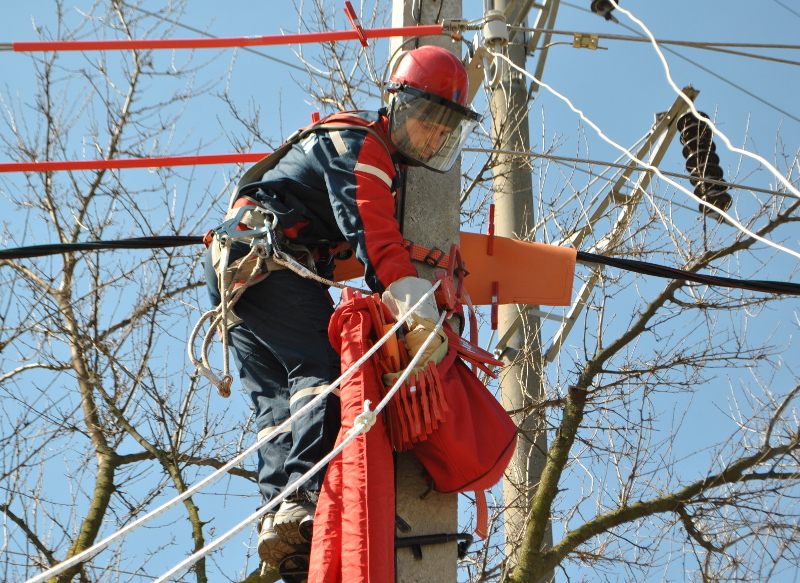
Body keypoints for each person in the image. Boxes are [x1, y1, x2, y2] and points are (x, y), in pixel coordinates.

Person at [203, 44, 480, 571]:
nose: (435, 136)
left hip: (236, 271)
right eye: (428, 120)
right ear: (398, 105)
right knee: (320, 370)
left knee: (277, 406)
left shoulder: (348, 147)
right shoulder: (360, 144)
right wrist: (412, 300)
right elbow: (372, 233)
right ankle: (303, 496)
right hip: (269, 258)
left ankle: (281, 520)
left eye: (446, 129)